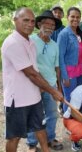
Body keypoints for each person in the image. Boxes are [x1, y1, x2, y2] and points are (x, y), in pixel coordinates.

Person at [1, 7, 63, 152]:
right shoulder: (12, 43)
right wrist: (53, 91)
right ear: (15, 20)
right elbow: (32, 74)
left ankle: (46, 148)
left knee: (40, 127)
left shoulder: (29, 42)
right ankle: (31, 145)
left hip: (33, 96)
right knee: (14, 137)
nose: (29, 24)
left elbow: (36, 70)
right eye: (25, 20)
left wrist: (53, 88)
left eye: (31, 21)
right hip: (17, 99)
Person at [26, 10, 63, 151]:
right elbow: (29, 66)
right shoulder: (31, 41)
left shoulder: (55, 45)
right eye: (46, 23)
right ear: (39, 24)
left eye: (52, 24)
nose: (49, 26)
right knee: (34, 115)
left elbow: (57, 68)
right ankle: (32, 143)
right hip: (34, 84)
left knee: (52, 114)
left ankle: (50, 138)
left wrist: (58, 88)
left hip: (51, 85)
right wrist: (40, 83)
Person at [58, 7, 82, 112]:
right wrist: (64, 77)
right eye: (73, 16)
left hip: (80, 72)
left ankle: (76, 123)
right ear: (67, 17)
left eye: (78, 17)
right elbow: (60, 57)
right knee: (69, 100)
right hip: (69, 73)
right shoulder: (64, 34)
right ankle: (68, 122)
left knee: (78, 98)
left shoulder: (79, 33)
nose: (75, 19)